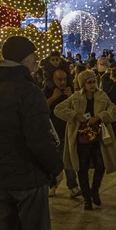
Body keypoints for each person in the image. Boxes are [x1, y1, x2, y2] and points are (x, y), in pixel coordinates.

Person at [0, 36, 63, 230]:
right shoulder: (29, 91)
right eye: (34, 55)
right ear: (22, 58)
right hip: (29, 178)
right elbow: (39, 139)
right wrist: (56, 168)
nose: (37, 60)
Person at [54, 69, 116, 209]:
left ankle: (94, 191)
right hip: (81, 137)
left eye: (94, 81)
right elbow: (58, 109)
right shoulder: (76, 97)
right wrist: (75, 115)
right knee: (82, 168)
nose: (92, 85)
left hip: (99, 137)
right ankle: (86, 198)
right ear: (83, 84)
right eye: (89, 82)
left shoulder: (102, 96)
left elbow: (114, 111)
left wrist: (100, 116)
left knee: (100, 164)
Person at [45, 68, 80, 197]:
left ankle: (72, 186)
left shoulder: (71, 91)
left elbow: (78, 109)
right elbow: (42, 107)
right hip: (52, 131)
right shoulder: (48, 91)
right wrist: (53, 98)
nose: (62, 82)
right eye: (59, 79)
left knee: (68, 159)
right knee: (55, 160)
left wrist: (71, 97)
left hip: (67, 130)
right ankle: (53, 184)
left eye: (64, 79)